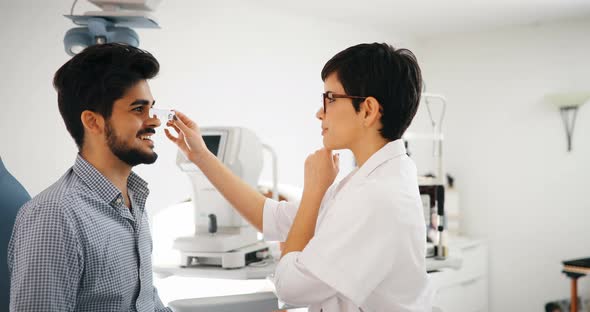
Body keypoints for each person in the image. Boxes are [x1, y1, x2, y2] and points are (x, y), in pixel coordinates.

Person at [165, 42, 431, 311]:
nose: (319, 112)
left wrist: (315, 188)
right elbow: (269, 216)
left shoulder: (377, 195)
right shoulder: (370, 180)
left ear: (368, 110)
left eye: (330, 98)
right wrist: (201, 156)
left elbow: (290, 287)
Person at [8, 43, 171, 312]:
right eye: (138, 110)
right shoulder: (55, 216)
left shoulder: (134, 201)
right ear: (93, 121)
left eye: (151, 109)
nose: (154, 122)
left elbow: (147, 303)